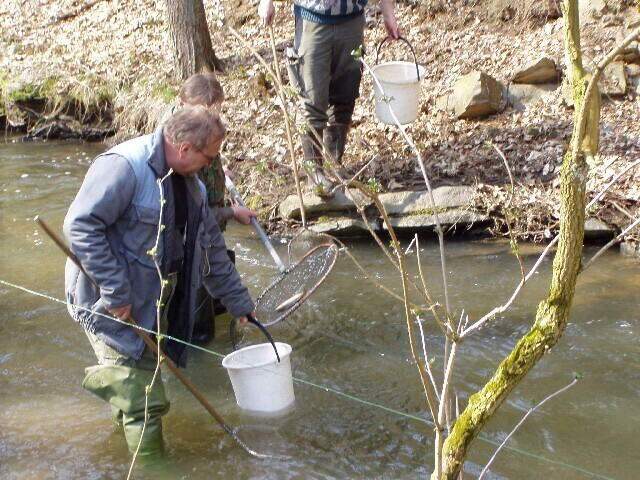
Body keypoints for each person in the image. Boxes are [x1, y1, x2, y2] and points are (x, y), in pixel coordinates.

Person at [63, 106, 255, 458]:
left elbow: (212, 249)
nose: (211, 165)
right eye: (208, 157)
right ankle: (154, 467)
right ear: (185, 149)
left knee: (136, 384)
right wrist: (115, 291)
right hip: (107, 304)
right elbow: (79, 227)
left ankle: (118, 454)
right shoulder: (123, 167)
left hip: (150, 304)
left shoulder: (192, 189)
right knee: (145, 400)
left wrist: (238, 303)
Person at [258, 0, 400, 195]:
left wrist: (388, 15)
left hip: (352, 21)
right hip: (312, 19)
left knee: (346, 93)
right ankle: (315, 173)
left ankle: (335, 164)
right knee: (312, 98)